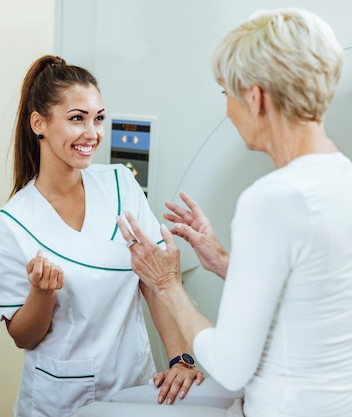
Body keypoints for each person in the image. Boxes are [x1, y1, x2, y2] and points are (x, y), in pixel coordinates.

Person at [118, 8, 352, 417]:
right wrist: (225, 262)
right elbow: (309, 294)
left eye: (226, 93)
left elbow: (229, 364)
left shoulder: (272, 199)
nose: (227, 109)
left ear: (256, 97)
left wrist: (167, 283)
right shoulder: (342, 179)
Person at [0, 54, 204, 417]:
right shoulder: (12, 221)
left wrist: (180, 358)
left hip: (135, 383)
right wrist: (42, 294)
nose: (93, 134)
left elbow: (154, 283)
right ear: (39, 123)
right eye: (77, 119)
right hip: (60, 399)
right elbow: (23, 337)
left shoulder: (120, 183)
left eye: (98, 119)